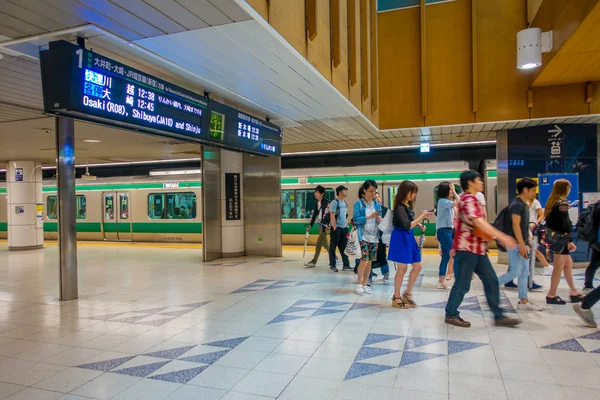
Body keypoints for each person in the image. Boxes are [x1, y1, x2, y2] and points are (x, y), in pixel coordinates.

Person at [445, 170, 521, 328]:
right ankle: (451, 314)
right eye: (479, 180)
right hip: (467, 250)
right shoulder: (468, 199)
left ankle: (498, 315)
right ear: (470, 183)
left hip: (477, 249)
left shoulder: (471, 200)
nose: (482, 182)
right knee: (463, 283)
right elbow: (478, 222)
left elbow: (477, 225)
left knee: (491, 280)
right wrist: (502, 237)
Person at [496, 178, 544, 311]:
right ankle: (492, 286)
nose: (534, 193)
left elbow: (521, 227)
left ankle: (523, 300)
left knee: (524, 271)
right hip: (517, 244)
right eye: (533, 190)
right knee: (515, 272)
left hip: (521, 243)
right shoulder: (517, 205)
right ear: (525, 190)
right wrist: (522, 245)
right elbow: (515, 225)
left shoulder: (523, 204)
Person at [388, 181, 434, 308]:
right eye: (413, 192)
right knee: (402, 269)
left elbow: (408, 221)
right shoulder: (399, 207)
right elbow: (407, 225)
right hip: (400, 238)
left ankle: (407, 293)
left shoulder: (407, 206)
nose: (415, 195)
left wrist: (418, 224)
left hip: (409, 237)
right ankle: (396, 297)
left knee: (417, 266)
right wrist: (423, 215)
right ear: (405, 192)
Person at [544, 179, 584, 305]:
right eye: (569, 187)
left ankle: (574, 292)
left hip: (555, 237)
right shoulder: (562, 202)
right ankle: (551, 294)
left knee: (568, 264)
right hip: (561, 239)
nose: (570, 189)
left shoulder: (554, 201)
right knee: (558, 267)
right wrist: (569, 241)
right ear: (565, 188)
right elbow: (565, 224)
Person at [353, 180, 382, 295]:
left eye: (374, 191)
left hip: (374, 236)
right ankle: (359, 284)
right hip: (363, 236)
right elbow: (356, 220)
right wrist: (370, 217)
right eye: (371, 191)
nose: (373, 193)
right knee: (364, 260)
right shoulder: (358, 204)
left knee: (370, 262)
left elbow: (378, 218)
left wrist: (380, 219)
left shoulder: (377, 204)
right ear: (364, 191)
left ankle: (365, 284)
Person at [436, 182, 459, 290]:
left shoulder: (445, 201)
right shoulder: (442, 201)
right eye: (449, 189)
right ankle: (460, 280)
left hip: (448, 231)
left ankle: (442, 281)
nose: (451, 191)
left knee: (445, 257)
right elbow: (459, 202)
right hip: (444, 232)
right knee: (455, 254)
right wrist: (455, 191)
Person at [305, 185, 330, 268]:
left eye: (317, 192)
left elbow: (329, 215)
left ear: (322, 193)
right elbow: (315, 214)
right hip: (320, 225)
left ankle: (314, 261)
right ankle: (334, 257)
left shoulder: (327, 202)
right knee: (325, 244)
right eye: (315, 192)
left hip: (325, 226)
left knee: (319, 243)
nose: (315, 194)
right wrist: (310, 225)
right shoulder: (317, 202)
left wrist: (327, 225)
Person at [329, 185, 351, 272]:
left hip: (344, 228)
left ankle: (346, 265)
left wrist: (346, 225)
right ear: (340, 192)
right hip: (337, 228)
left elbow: (345, 215)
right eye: (344, 190)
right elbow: (332, 216)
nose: (346, 192)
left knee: (344, 247)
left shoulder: (345, 202)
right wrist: (334, 227)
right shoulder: (335, 202)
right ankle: (332, 265)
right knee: (333, 247)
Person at [582, 203, 600, 295]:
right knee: (594, 264)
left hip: (595, 240)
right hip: (598, 240)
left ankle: (588, 286)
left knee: (594, 264)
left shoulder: (596, 205)